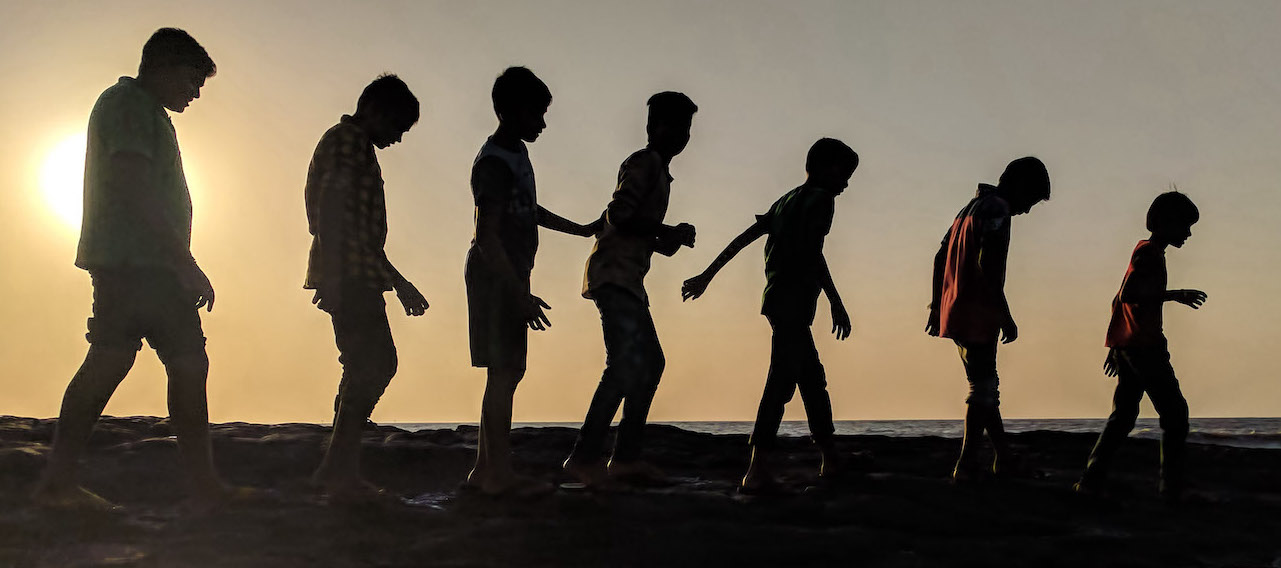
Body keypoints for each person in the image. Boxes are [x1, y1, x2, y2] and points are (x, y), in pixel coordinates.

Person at [33, 28, 232, 511]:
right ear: (161, 68)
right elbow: (132, 182)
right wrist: (184, 262)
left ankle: (62, 482)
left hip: (142, 263)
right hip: (139, 265)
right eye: (190, 79)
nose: (195, 91)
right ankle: (200, 488)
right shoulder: (129, 105)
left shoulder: (147, 112)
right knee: (159, 362)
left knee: (133, 361)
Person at [682, 138, 858, 493]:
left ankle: (830, 457)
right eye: (844, 173)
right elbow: (813, 253)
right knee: (781, 382)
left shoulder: (787, 200)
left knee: (811, 379)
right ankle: (757, 468)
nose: (847, 183)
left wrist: (707, 275)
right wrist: (836, 301)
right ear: (823, 168)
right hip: (792, 301)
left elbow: (746, 237)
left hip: (777, 299)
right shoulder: (820, 200)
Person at [464, 67, 599, 496]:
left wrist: (579, 229)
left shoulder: (516, 155)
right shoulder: (494, 162)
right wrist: (517, 293)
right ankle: (496, 473)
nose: (542, 122)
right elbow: (487, 235)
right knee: (503, 372)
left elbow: (529, 210)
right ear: (510, 111)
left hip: (507, 275)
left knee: (506, 371)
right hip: (494, 275)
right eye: (537, 113)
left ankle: (486, 470)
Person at [562, 92, 699, 488]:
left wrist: (668, 241)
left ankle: (624, 458)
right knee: (624, 365)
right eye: (674, 126)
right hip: (614, 276)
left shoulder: (660, 172)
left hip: (627, 278)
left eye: (687, 128)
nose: (682, 135)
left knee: (649, 363)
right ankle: (585, 458)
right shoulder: (644, 163)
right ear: (653, 128)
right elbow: (620, 215)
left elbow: (637, 228)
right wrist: (664, 231)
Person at [305, 74, 430, 505]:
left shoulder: (353, 145)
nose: (397, 138)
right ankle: (336, 469)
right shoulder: (348, 141)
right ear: (376, 110)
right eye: (397, 127)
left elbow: (361, 233)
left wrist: (398, 282)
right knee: (375, 364)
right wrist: (334, 277)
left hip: (358, 269)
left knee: (362, 364)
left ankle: (338, 461)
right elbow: (332, 213)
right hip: (349, 273)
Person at [925, 157, 1050, 483]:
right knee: (983, 388)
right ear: (1022, 188)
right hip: (977, 308)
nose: (1028, 210)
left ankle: (1003, 458)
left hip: (954, 307)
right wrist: (1004, 313)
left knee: (985, 386)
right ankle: (966, 464)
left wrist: (936, 304)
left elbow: (940, 256)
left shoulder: (968, 209)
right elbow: (989, 265)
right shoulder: (996, 210)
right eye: (1032, 201)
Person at [1074, 191, 1205, 500]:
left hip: (1131, 345)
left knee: (1123, 416)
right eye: (1184, 225)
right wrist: (1175, 295)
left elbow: (1118, 298)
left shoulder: (1146, 251)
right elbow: (1129, 295)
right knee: (1175, 414)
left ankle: (1091, 479)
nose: (1188, 233)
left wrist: (1115, 345)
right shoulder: (1148, 254)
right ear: (1164, 223)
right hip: (1144, 348)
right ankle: (1171, 488)